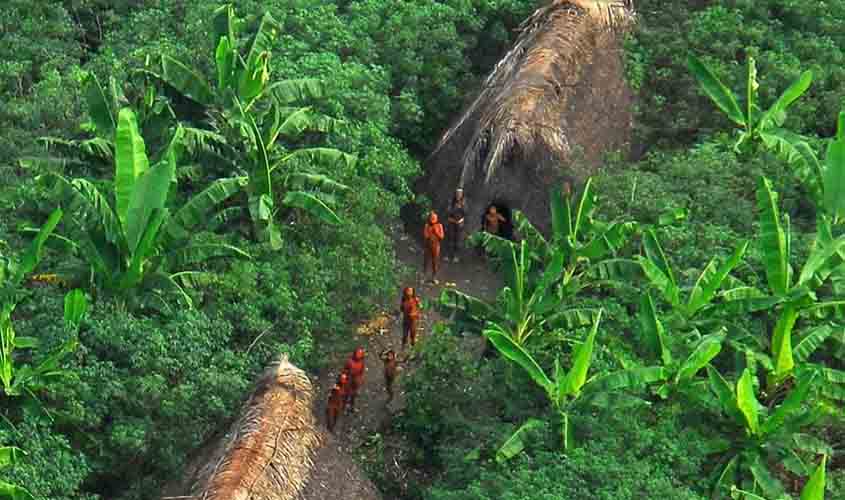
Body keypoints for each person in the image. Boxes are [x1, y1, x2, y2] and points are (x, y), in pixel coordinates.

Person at [423, 211, 445, 283]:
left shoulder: (439, 225)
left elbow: (441, 237)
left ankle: (434, 277)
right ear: (429, 218)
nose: (433, 219)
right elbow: (425, 236)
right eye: (431, 218)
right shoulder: (427, 225)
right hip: (427, 246)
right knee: (426, 261)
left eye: (434, 218)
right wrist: (430, 232)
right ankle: (425, 276)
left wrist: (436, 232)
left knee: (435, 262)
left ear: (437, 218)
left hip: (436, 246)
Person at [446, 189, 467, 263]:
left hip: (459, 223)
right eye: (457, 193)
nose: (458, 195)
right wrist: (455, 207)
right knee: (450, 239)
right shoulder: (451, 201)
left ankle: (456, 256)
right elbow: (448, 211)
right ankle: (448, 255)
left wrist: (461, 207)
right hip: (451, 222)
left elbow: (465, 213)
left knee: (458, 240)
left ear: (462, 195)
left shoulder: (463, 202)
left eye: (460, 193)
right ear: (455, 194)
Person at [343, 347, 366, 413]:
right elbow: (344, 370)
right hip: (349, 381)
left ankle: (352, 407)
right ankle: (344, 408)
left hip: (356, 381)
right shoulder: (349, 362)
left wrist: (360, 379)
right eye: (357, 353)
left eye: (360, 354)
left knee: (353, 396)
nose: (358, 355)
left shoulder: (361, 362)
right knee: (346, 395)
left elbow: (362, 371)